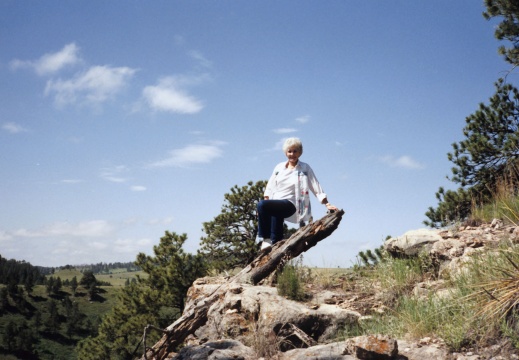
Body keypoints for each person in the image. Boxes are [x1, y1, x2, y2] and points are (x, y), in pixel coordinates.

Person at [257, 137, 339, 250]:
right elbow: (270, 186)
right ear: (286, 153)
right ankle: (274, 252)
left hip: (291, 204)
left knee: (261, 204)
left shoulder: (304, 168)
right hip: (276, 203)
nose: (292, 154)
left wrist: (327, 203)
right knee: (276, 239)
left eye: (295, 151)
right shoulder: (279, 168)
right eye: (289, 151)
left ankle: (265, 239)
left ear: (300, 152)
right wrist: (266, 204)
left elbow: (315, 186)